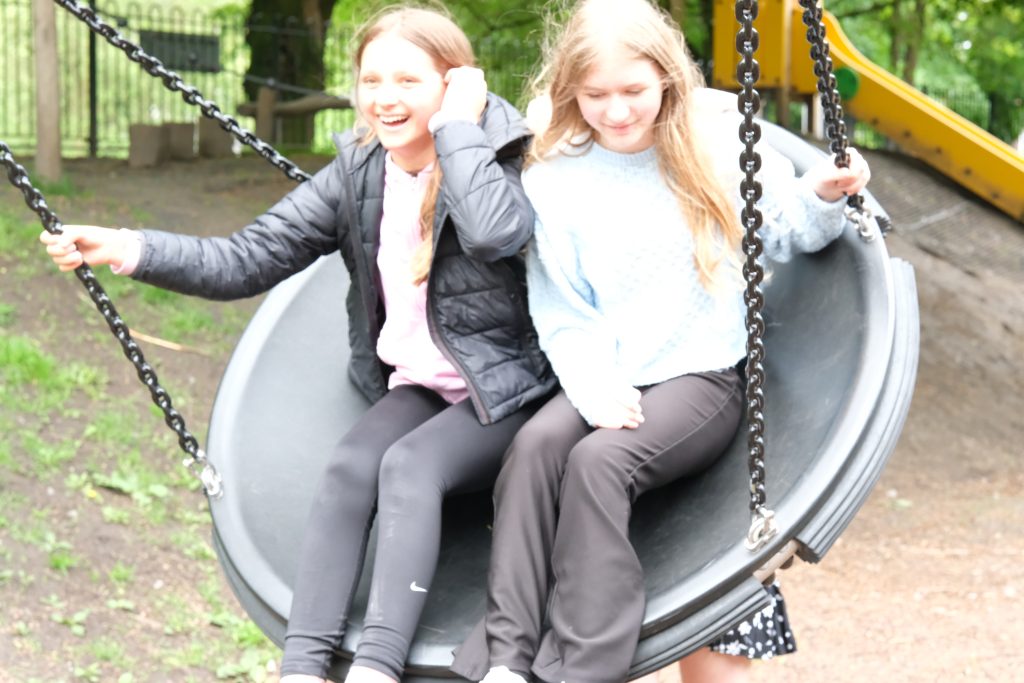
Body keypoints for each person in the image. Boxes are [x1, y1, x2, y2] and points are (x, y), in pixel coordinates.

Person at [41, 6, 555, 683]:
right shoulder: (360, 171)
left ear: (456, 84)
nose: (385, 98)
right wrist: (129, 247)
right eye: (372, 80)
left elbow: (493, 232)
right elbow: (245, 259)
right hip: (426, 384)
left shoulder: (500, 154)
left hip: (509, 388)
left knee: (409, 469)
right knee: (350, 466)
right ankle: (302, 668)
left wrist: (460, 127)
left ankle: (376, 668)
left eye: (408, 80)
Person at [449, 0, 870, 681]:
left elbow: (786, 230)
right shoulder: (555, 176)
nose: (616, 111)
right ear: (570, 91)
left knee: (599, 463)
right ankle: (505, 654)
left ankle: (584, 665)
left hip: (701, 376)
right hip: (611, 370)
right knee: (533, 449)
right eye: (596, 95)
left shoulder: (714, 147)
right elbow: (561, 307)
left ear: (667, 79)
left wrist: (823, 193)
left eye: (633, 91)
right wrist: (594, 384)